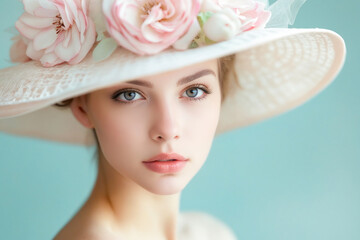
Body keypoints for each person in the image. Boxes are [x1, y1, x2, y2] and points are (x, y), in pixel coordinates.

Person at [0, 0, 346, 239]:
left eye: (194, 91)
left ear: (220, 95)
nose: (168, 129)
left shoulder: (209, 233)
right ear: (82, 107)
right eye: (130, 95)